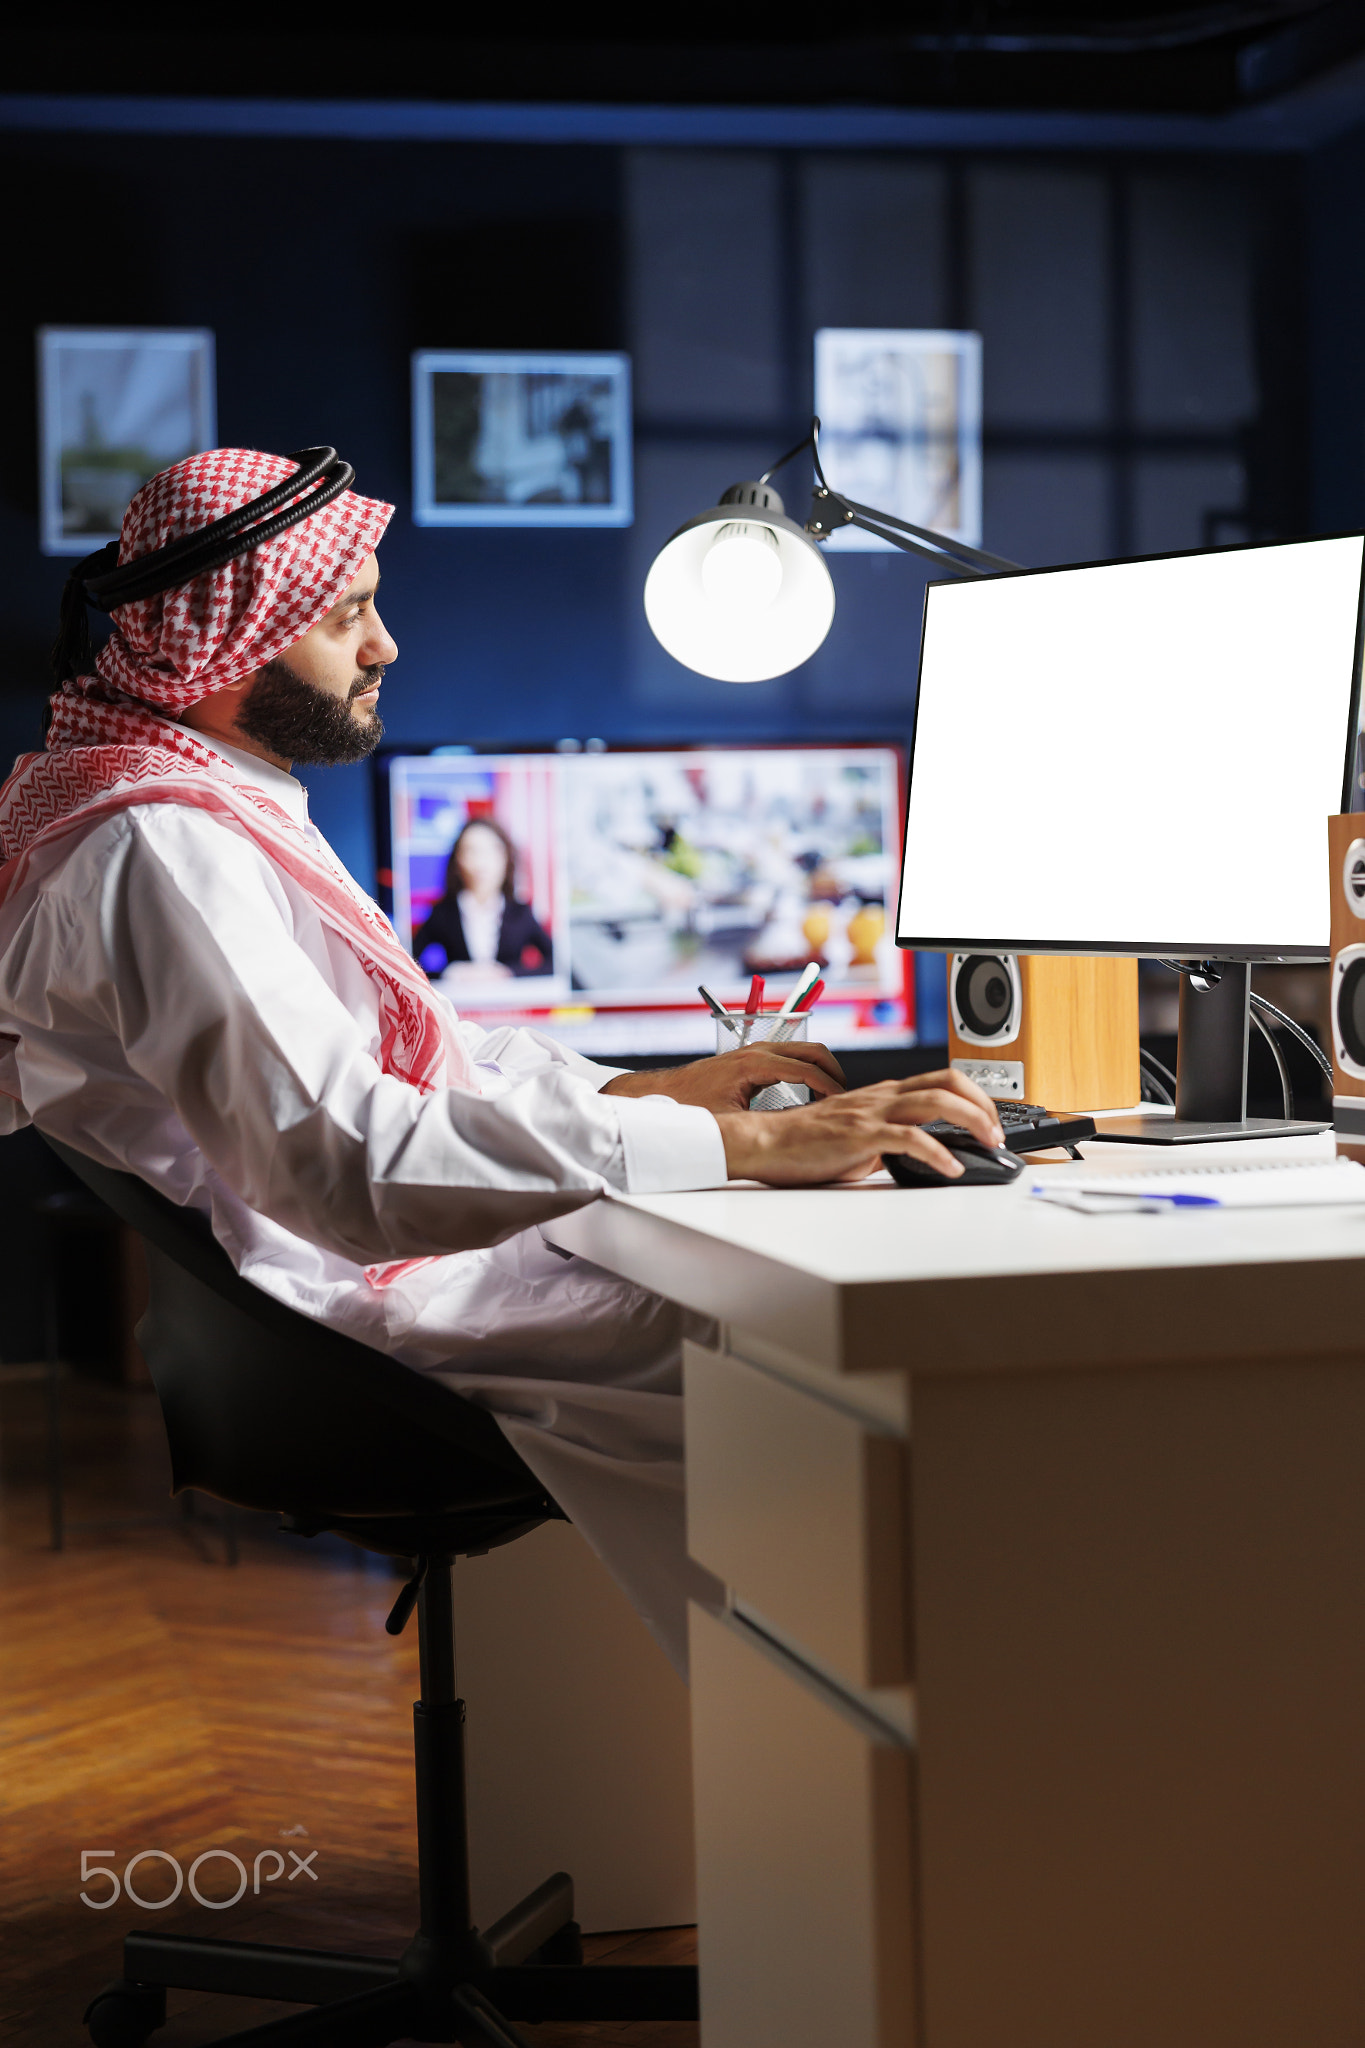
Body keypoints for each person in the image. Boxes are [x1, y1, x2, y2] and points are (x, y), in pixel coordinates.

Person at [0, 447, 1003, 1673]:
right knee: (848, 1367)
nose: (385, 646)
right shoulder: (164, 849)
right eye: (345, 613)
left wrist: (656, 1090)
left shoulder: (195, 801)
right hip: (379, 1313)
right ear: (225, 644)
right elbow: (349, 1157)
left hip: (370, 1287)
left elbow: (423, 1059)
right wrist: (750, 1139)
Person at [413, 817, 553, 981]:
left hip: (512, 1004)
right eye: (471, 851)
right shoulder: (443, 913)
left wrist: (509, 973)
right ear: (457, 860)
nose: (481, 862)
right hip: (460, 1004)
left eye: (491, 851)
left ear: (506, 858)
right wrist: (448, 973)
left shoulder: (520, 912)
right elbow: (407, 962)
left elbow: (554, 963)